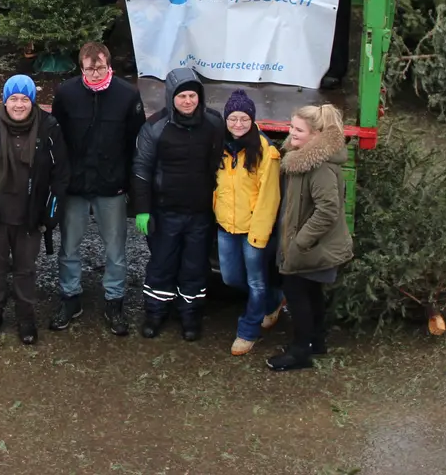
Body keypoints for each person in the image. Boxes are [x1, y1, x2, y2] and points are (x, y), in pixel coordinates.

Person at [0, 75, 69, 345]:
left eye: (24, 99)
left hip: (29, 217)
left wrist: (50, 215)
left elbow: (61, 175)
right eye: (13, 99)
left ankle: (26, 318)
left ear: (32, 101)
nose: (19, 105)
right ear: (4, 100)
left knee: (25, 270)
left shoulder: (48, 127)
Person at [47, 41, 145, 336]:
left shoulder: (128, 95)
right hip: (76, 186)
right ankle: (70, 297)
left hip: (110, 186)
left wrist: (129, 185)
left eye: (100, 67)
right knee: (69, 246)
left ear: (108, 64)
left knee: (115, 249)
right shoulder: (66, 93)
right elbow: (57, 137)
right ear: (81, 68)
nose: (95, 73)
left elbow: (136, 143)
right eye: (90, 68)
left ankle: (114, 300)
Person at [131, 67, 224, 341]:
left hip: (200, 213)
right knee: (162, 264)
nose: (187, 101)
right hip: (165, 211)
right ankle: (155, 313)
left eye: (192, 96)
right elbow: (141, 169)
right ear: (171, 97)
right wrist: (142, 209)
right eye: (182, 96)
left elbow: (223, 159)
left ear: (200, 98)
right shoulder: (155, 127)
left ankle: (190, 315)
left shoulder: (213, 123)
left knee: (194, 266)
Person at [268, 103, 354, 372]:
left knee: (296, 293)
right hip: (310, 246)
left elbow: (328, 210)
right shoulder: (301, 158)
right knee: (311, 292)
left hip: (312, 247)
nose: (291, 133)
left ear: (316, 135)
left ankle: (300, 352)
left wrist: (300, 242)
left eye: (298, 130)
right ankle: (316, 341)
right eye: (291, 127)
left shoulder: (319, 168)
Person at [213, 88, 284, 356]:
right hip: (226, 226)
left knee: (255, 282)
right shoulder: (220, 145)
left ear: (252, 120)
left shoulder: (266, 152)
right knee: (232, 278)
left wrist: (259, 234)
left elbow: (269, 198)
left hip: (253, 228)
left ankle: (248, 331)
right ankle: (274, 299)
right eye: (233, 118)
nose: (238, 124)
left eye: (244, 118)